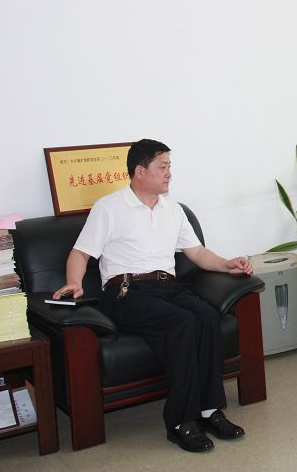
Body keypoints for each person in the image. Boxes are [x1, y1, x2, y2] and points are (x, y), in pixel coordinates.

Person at [52, 139, 253, 452]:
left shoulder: (173, 210)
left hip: (167, 287)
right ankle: (180, 422)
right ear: (140, 171)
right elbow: (80, 253)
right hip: (126, 290)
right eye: (163, 167)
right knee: (183, 322)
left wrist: (227, 264)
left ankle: (209, 411)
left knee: (207, 317)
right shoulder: (109, 207)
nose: (169, 173)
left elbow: (197, 253)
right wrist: (74, 283)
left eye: (170, 166)